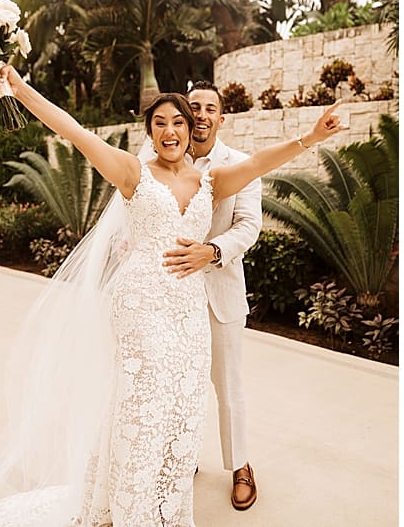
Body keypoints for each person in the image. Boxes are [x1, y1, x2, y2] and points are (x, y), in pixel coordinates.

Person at [0, 63, 343, 526]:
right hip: (140, 304)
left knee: (181, 404)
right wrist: (19, 87)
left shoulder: (211, 182)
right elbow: (72, 129)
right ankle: (128, 509)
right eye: (160, 123)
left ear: (192, 131)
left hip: (189, 310)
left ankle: (162, 505)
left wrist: (310, 138)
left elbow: (256, 165)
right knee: (141, 404)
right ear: (150, 131)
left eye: (178, 123)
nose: (169, 131)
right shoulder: (132, 172)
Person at [136, 81, 264, 511]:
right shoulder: (160, 156)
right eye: (196, 107)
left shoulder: (239, 165)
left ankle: (240, 466)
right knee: (173, 383)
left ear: (221, 118)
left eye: (211, 108)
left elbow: (248, 226)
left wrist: (211, 251)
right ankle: (181, 458)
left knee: (228, 387)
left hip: (219, 294)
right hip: (168, 295)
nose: (202, 114)